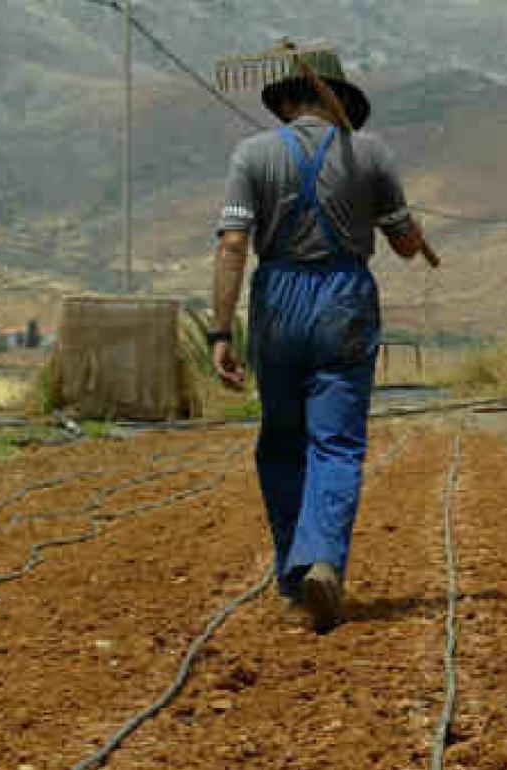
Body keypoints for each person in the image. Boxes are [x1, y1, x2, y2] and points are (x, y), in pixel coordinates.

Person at [209, 48, 434, 633]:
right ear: (340, 101)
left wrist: (219, 330)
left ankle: (293, 574)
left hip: (276, 300)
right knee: (335, 442)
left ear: (287, 101)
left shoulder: (253, 154)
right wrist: (409, 229)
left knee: (282, 443)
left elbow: (233, 244)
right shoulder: (372, 154)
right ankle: (323, 562)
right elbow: (406, 245)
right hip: (344, 301)